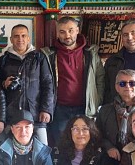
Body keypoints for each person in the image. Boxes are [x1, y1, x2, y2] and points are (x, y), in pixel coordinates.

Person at [41, 16, 104, 146]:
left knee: (85, 145)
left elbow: (100, 80)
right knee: (62, 146)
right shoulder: (49, 55)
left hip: (85, 108)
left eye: (70, 30)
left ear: (77, 30)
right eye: (62, 32)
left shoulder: (90, 54)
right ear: (57, 33)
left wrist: (96, 100)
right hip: (59, 109)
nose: (67, 35)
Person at [0, 24, 54, 144]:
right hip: (10, 115)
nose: (20, 39)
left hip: (36, 114)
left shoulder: (39, 58)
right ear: (11, 39)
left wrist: (46, 109)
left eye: (23, 36)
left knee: (42, 152)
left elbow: (48, 84)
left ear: (28, 38)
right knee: (6, 153)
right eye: (16, 36)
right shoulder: (3, 60)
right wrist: (3, 83)